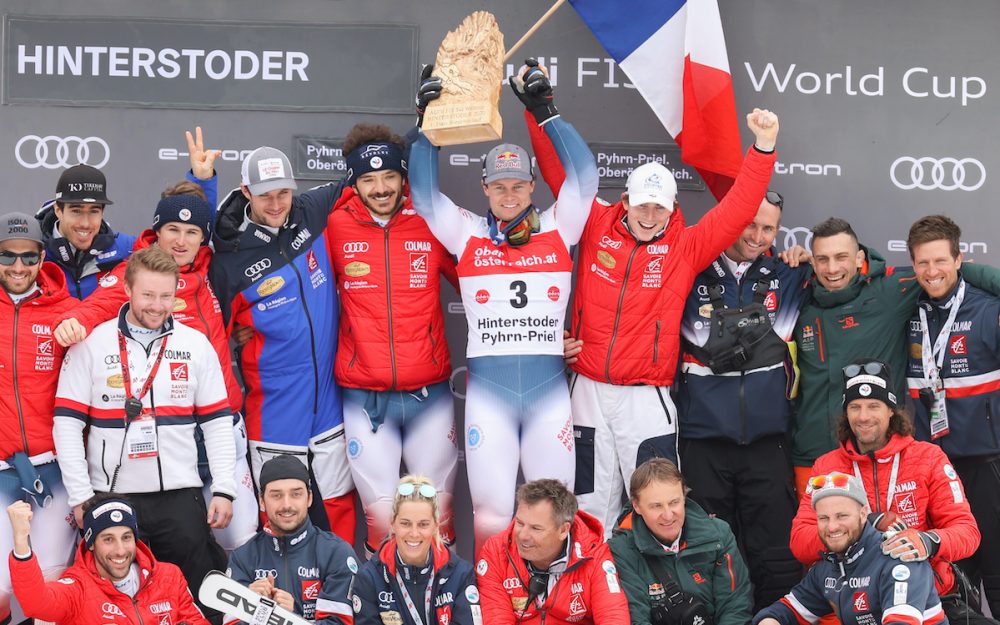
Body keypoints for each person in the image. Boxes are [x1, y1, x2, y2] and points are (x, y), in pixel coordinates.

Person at [527, 96, 781, 536]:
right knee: (588, 505)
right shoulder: (593, 222)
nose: (649, 216)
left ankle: (656, 601)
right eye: (641, 205)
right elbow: (559, 174)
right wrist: (535, 112)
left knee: (658, 507)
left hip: (646, 397)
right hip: (587, 387)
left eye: (659, 207)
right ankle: (592, 598)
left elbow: (740, 207)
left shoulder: (687, 246)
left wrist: (763, 147)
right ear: (624, 200)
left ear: (673, 207)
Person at [410, 61, 598, 548]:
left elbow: (585, 178)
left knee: (557, 515)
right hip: (489, 399)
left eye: (518, 186)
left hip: (548, 396)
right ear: (485, 189)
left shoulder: (560, 228)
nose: (509, 195)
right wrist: (426, 124)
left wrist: (546, 110)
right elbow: (425, 195)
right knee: (492, 513)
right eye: (500, 186)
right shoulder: (468, 233)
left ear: (532, 188)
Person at [53, 175, 257, 553]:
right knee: (164, 547)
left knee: (237, 535)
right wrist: (75, 323)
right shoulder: (138, 271)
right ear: (156, 231)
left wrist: (202, 181)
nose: (181, 241)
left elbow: (199, 219)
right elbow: (99, 305)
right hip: (162, 437)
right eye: (172, 230)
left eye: (192, 233)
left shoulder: (215, 268)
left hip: (219, 425)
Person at [53, 245, 236, 615]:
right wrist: (80, 495)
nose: (157, 305)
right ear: (127, 290)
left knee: (201, 600)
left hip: (179, 497)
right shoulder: (92, 343)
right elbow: (67, 424)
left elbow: (218, 423)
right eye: (148, 295)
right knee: (112, 606)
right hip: (111, 498)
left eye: (166, 295)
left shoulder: (194, 344)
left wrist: (224, 488)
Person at [209, 145, 356, 541]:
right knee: (279, 514)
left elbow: (370, 170)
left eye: (283, 193)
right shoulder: (228, 261)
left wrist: (428, 117)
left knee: (339, 507)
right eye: (265, 195)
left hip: (329, 401)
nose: (276, 204)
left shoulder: (312, 212)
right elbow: (211, 342)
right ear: (245, 193)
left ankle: (340, 598)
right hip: (274, 406)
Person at [792, 218, 1000, 493]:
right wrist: (790, 261)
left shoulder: (892, 290)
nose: (832, 268)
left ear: (859, 258)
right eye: (822, 259)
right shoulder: (797, 292)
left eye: (841, 257)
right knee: (819, 532)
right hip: (813, 454)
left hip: (881, 454)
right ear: (813, 263)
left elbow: (940, 275)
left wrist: (968, 268)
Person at [327, 123, 459, 554]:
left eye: (389, 177)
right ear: (354, 181)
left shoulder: (432, 219)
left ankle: (443, 610)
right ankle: (380, 608)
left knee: (436, 516)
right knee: (382, 516)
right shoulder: (333, 226)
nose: (380, 188)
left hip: (429, 394)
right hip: (364, 397)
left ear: (404, 177)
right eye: (368, 178)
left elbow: (482, 283)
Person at [675, 189, 808, 610]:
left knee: (775, 552)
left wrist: (803, 256)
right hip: (704, 440)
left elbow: (852, 266)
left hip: (768, 442)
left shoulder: (789, 275)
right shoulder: (688, 267)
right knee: (708, 554)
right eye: (750, 223)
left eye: (768, 228)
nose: (757, 235)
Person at [792, 358, 983, 622]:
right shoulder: (827, 466)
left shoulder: (929, 457)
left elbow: (967, 532)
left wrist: (928, 541)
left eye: (874, 406)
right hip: (857, 605)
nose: (863, 417)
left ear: (891, 409)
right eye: (855, 407)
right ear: (846, 413)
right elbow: (800, 541)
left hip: (928, 598)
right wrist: (863, 526)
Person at [905, 215, 1000, 617]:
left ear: (960, 258)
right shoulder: (909, 311)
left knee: (995, 571)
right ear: (912, 265)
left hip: (986, 465)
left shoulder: (988, 309)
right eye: (923, 263)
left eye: (941, 261)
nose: (932, 272)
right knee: (947, 576)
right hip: (933, 471)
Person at [0, 211, 77, 624]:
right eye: (6, 256)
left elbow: (119, 300)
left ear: (42, 257)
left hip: (53, 473)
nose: (17, 267)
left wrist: (80, 321)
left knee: (47, 592)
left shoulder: (64, 308)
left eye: (28, 257)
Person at [35, 131, 217, 299]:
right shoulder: (31, 252)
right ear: (58, 210)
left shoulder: (127, 249)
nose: (85, 223)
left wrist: (201, 181)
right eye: (76, 211)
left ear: (102, 212)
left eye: (94, 211)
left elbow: (191, 237)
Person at [754, 473, 947, 625]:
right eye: (824, 518)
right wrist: (769, 620)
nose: (832, 527)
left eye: (841, 516)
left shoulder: (898, 556)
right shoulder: (829, 564)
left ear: (864, 514)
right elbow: (787, 610)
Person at [8, 495, 209, 625]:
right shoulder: (77, 588)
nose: (120, 550)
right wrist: (21, 542)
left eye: (126, 537)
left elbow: (196, 621)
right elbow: (36, 604)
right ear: (92, 543)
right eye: (108, 540)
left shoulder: (168, 576)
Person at [608, 458, 752, 625]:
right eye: (656, 506)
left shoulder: (718, 535)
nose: (668, 515)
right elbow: (635, 618)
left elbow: (735, 606)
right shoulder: (621, 551)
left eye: (674, 502)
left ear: (684, 497)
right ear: (637, 506)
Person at [476, 478, 630, 625]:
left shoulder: (593, 552)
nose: (523, 536)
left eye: (536, 528)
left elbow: (613, 615)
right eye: (520, 523)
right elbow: (497, 620)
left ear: (563, 530)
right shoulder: (496, 552)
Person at [226, 455, 357, 625]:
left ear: (309, 498)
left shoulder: (336, 553)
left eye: (296, 494)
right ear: (262, 502)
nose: (286, 504)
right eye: (276, 495)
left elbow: (341, 623)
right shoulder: (242, 558)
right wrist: (253, 610)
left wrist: (291, 618)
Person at [353, 475, 481, 625]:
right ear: (392, 524)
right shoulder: (370, 577)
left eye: (423, 524)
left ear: (436, 525)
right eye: (406, 524)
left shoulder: (460, 574)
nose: (414, 533)